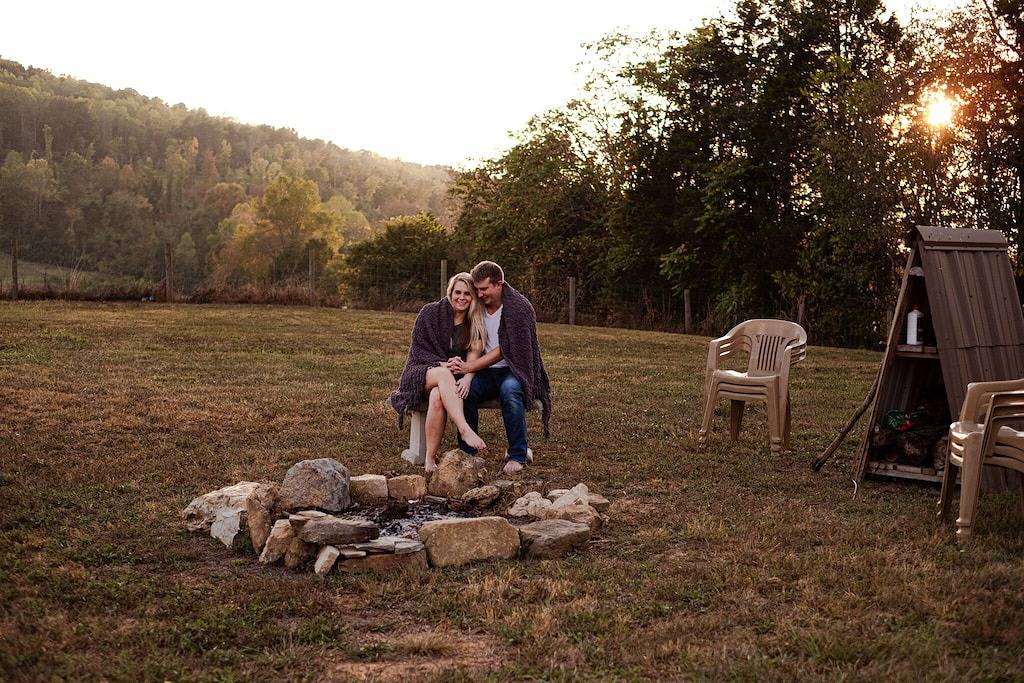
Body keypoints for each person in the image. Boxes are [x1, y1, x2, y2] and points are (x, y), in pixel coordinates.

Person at [446, 261, 552, 475]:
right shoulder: (477, 306)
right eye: (477, 289)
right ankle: (467, 453)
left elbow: (505, 349)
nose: (479, 293)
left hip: (513, 370)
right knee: (463, 392)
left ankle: (517, 454)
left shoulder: (519, 308)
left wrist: (469, 366)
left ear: (499, 284)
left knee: (510, 391)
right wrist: (466, 372)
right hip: (486, 373)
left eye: (484, 289)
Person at [390, 273, 488, 473]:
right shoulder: (430, 312)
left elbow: (473, 359)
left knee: (437, 397)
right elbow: (418, 350)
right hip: (421, 372)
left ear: (473, 297)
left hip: (452, 379)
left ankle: (430, 460)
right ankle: (464, 429)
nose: (461, 297)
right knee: (443, 376)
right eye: (457, 292)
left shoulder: (475, 322)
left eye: (467, 294)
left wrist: (465, 374)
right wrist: (442, 364)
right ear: (450, 292)